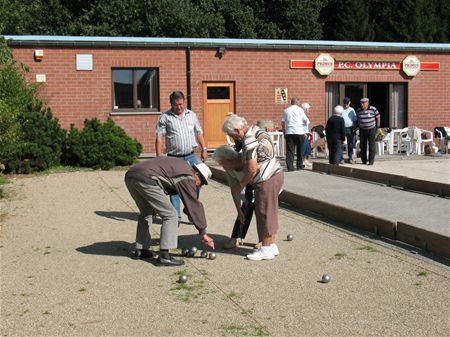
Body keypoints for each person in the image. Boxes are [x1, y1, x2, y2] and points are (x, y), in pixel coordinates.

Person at [124, 157, 215, 266]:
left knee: (146, 213)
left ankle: (141, 251)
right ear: (197, 174)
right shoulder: (188, 177)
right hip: (147, 178)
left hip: (131, 175)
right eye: (202, 182)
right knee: (171, 215)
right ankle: (164, 256)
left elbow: (189, 206)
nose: (200, 186)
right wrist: (203, 233)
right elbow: (193, 206)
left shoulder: (182, 167)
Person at [222, 114, 284, 261]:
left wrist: (241, 185)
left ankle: (266, 249)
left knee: (264, 213)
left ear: (237, 130)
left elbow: (251, 169)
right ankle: (272, 245)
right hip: (276, 173)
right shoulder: (257, 130)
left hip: (266, 178)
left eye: (232, 135)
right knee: (271, 212)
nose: (232, 139)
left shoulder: (248, 140)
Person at [155, 91, 208, 220]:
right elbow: (159, 138)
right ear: (171, 104)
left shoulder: (192, 115)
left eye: (180, 104)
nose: (178, 107)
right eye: (175, 105)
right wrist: (159, 157)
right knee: (175, 187)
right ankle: (175, 217)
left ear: (184, 101)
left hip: (190, 156)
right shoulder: (165, 117)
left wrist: (204, 148)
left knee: (197, 182)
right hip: (174, 158)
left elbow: (199, 132)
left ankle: (190, 210)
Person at [213, 145, 254, 249]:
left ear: (230, 160)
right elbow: (234, 190)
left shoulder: (246, 160)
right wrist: (239, 211)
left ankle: (263, 241)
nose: (222, 167)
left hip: (262, 183)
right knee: (245, 209)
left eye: (222, 164)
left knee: (261, 212)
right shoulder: (230, 169)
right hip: (248, 185)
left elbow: (254, 172)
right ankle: (234, 239)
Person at [281, 97, 309, 171]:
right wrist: (305, 131)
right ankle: (299, 166)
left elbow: (283, 123)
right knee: (300, 150)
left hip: (289, 132)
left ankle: (290, 167)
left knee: (290, 150)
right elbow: (306, 120)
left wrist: (284, 131)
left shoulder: (286, 110)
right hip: (299, 131)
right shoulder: (300, 110)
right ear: (297, 103)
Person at [356, 97, 380, 165]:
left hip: (371, 129)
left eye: (363, 103)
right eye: (361, 103)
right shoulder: (359, 110)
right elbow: (358, 119)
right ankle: (364, 160)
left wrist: (377, 127)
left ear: (367, 103)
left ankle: (371, 161)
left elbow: (378, 117)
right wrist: (358, 127)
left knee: (372, 145)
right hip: (362, 130)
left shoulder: (373, 109)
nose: (362, 105)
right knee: (363, 146)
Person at [341, 97, 357, 163]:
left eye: (347, 103)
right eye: (345, 103)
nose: (346, 105)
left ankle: (350, 158)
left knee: (350, 143)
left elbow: (355, 120)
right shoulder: (341, 109)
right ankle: (341, 158)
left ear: (349, 102)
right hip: (342, 128)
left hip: (350, 128)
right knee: (341, 143)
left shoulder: (352, 110)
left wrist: (354, 128)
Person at [301, 102, 312, 167]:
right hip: (303, 134)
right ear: (305, 109)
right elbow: (301, 125)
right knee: (304, 147)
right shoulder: (302, 115)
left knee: (307, 147)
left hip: (306, 133)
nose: (309, 110)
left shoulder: (304, 115)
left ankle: (305, 160)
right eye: (308, 109)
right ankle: (303, 160)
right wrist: (303, 132)